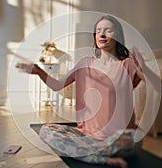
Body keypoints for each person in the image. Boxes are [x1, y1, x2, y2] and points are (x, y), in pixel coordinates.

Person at [16, 15, 152, 168]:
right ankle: (100, 157)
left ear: (118, 37)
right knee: (47, 131)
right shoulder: (84, 64)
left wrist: (144, 70)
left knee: (134, 139)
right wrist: (38, 71)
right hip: (87, 136)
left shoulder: (128, 64)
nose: (102, 34)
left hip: (118, 138)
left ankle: (86, 153)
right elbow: (57, 85)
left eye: (108, 31)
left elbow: (159, 86)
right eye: (98, 31)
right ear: (95, 37)